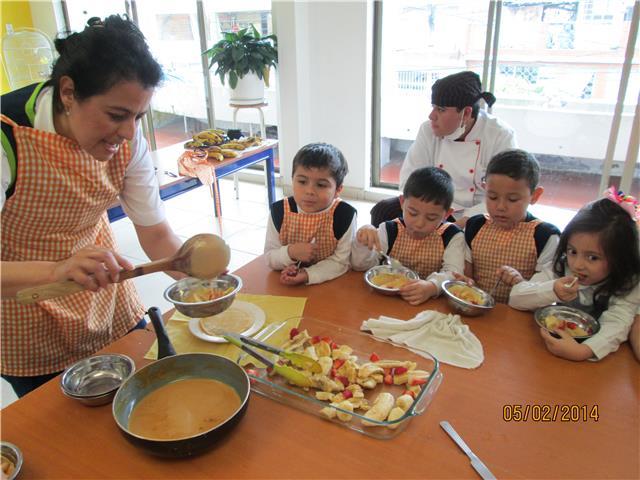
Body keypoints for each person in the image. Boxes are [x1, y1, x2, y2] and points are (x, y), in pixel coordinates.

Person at [0, 15, 183, 397]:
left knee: (145, 402)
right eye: (117, 115)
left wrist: (203, 281)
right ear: (68, 92)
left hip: (105, 295)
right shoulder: (8, 138)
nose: (129, 132)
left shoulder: (129, 141)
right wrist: (56, 269)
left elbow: (156, 232)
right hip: (24, 305)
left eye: (138, 117)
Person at [371, 70, 516, 228]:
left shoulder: (500, 136)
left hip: (478, 212)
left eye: (441, 109)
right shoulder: (427, 130)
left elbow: (505, 195)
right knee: (383, 210)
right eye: (433, 107)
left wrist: (465, 221)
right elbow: (410, 178)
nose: (431, 116)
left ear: (466, 113)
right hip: (432, 206)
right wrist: (430, 214)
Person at [509, 191, 640, 361]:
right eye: (573, 251)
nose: (577, 265)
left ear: (619, 259)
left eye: (593, 257)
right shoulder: (562, 266)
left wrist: (585, 350)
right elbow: (516, 297)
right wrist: (553, 290)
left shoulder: (628, 282)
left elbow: (618, 323)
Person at [352, 167, 464, 305]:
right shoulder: (390, 230)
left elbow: (454, 273)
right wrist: (362, 241)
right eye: (413, 213)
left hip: (427, 304)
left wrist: (432, 287)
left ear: (446, 214)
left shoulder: (452, 236)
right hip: (385, 300)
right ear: (402, 202)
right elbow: (360, 266)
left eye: (431, 217)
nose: (419, 224)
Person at [463, 149, 560, 303]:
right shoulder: (475, 225)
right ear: (484, 188)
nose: (501, 207)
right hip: (475, 307)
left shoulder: (544, 236)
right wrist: (466, 284)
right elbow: (466, 275)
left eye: (513, 199)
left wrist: (520, 284)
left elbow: (542, 293)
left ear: (535, 196)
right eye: (493, 197)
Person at [264, 143, 356, 285]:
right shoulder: (279, 211)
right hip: (284, 284)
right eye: (302, 181)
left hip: (329, 285)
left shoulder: (344, 215)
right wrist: (291, 252)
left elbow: (341, 262)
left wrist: (308, 274)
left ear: (338, 189)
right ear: (292, 179)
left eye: (321, 185)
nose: (309, 191)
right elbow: (269, 258)